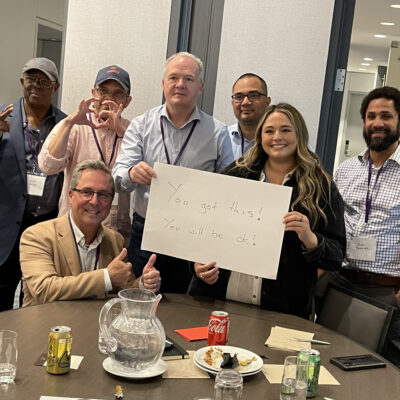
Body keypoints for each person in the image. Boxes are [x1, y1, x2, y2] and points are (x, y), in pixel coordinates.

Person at [189, 103, 346, 319]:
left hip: (283, 309)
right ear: (260, 136)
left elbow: (336, 256)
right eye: (269, 131)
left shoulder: (322, 186)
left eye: (286, 130)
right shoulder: (237, 174)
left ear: (299, 134)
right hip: (220, 300)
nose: (277, 137)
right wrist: (199, 267)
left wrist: (310, 239)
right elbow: (204, 229)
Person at [112, 52, 234, 294]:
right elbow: (118, 178)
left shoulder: (218, 133)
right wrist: (132, 173)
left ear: (200, 87)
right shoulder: (141, 125)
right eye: (174, 77)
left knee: (186, 307)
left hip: (194, 237)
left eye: (188, 79)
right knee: (138, 300)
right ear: (163, 84)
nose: (180, 84)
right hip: (146, 232)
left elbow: (229, 189)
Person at [316, 86, 400, 365]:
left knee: (384, 372)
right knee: (331, 360)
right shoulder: (346, 169)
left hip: (387, 291)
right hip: (340, 282)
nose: (378, 123)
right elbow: (331, 223)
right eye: (371, 116)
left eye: (386, 115)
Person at [20, 160, 160, 306]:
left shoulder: (115, 240)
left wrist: (144, 283)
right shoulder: (36, 236)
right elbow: (43, 290)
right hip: (46, 325)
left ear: (111, 200)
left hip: (91, 325)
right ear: (71, 195)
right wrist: (106, 278)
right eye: (86, 192)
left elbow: (121, 288)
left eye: (103, 195)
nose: (94, 201)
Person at [0, 57, 66, 311]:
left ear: (55, 87)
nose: (36, 85)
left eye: (44, 81)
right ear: (22, 82)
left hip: (47, 224)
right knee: (3, 292)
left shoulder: (65, 124)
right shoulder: (4, 118)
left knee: (42, 296)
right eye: (31, 79)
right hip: (8, 227)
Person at [38, 65, 132, 242]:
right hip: (73, 226)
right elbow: (48, 166)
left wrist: (121, 132)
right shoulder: (75, 124)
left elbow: (142, 177)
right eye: (103, 91)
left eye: (117, 93)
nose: (108, 98)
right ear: (93, 93)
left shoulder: (133, 130)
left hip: (115, 231)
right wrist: (68, 124)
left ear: (127, 101)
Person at [229, 73, 271, 159]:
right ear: (232, 103)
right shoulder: (221, 139)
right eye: (239, 97)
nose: (245, 102)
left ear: (267, 101)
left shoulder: (280, 141)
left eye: (253, 95)